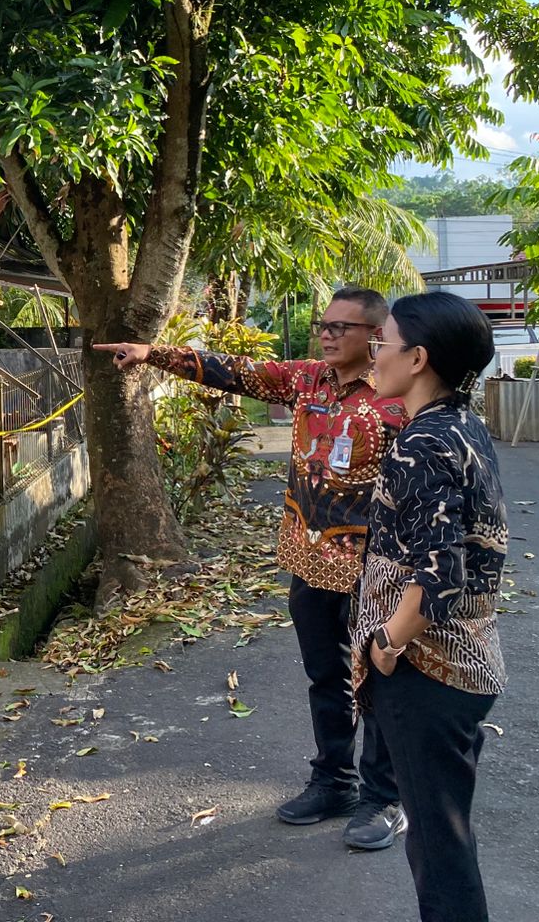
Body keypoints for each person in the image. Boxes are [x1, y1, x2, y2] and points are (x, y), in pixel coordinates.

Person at [93, 287, 405, 849]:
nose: (328, 334)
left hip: (375, 571)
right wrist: (153, 353)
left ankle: (384, 798)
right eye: (324, 325)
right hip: (309, 559)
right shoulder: (306, 379)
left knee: (378, 682)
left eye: (343, 327)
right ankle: (335, 780)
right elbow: (236, 371)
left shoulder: (397, 398)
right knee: (325, 677)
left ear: (375, 335)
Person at [355, 292, 504, 922]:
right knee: (444, 830)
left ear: (417, 358)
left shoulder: (420, 444)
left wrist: (386, 646)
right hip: (469, 662)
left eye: (381, 341)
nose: (373, 354)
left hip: (427, 669)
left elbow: (439, 574)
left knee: (440, 847)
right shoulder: (462, 424)